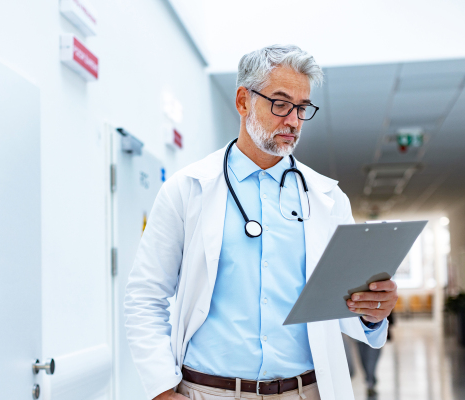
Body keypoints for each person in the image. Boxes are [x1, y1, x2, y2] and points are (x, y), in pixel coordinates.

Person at [124, 44, 398, 400]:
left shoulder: (327, 200)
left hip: (306, 391)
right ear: (243, 101)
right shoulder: (186, 189)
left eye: (302, 108)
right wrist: (161, 389)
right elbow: (145, 295)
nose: (294, 120)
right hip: (208, 392)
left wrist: (373, 311)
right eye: (281, 104)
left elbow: (342, 307)